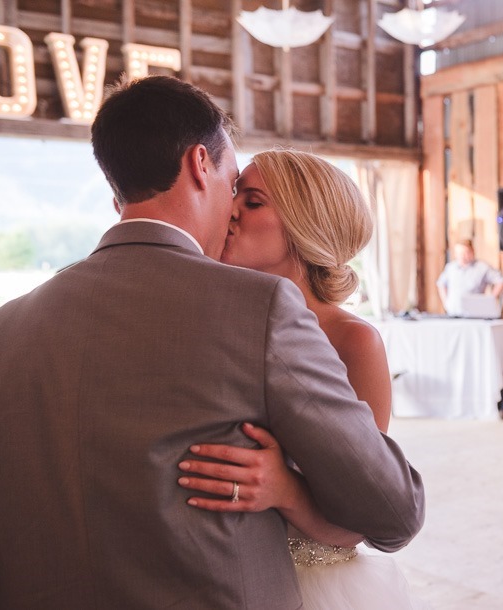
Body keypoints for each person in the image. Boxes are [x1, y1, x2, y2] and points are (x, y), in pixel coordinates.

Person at [0, 76, 424, 610]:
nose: (231, 209)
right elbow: (393, 512)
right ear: (199, 164)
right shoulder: (261, 310)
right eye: (235, 185)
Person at [175, 149, 426, 609]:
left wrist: (284, 490)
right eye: (234, 196)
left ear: (302, 223)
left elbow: (362, 520)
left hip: (312, 588)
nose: (229, 210)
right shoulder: (214, 321)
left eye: (252, 202)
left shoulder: (353, 342)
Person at [436, 238, 503, 316]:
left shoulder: (482, 267)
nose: (462, 256)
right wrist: (446, 302)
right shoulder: (450, 268)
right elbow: (441, 284)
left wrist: (490, 299)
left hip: (474, 314)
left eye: (465, 253)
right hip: (453, 313)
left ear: (472, 251)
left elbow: (501, 281)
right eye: (459, 253)